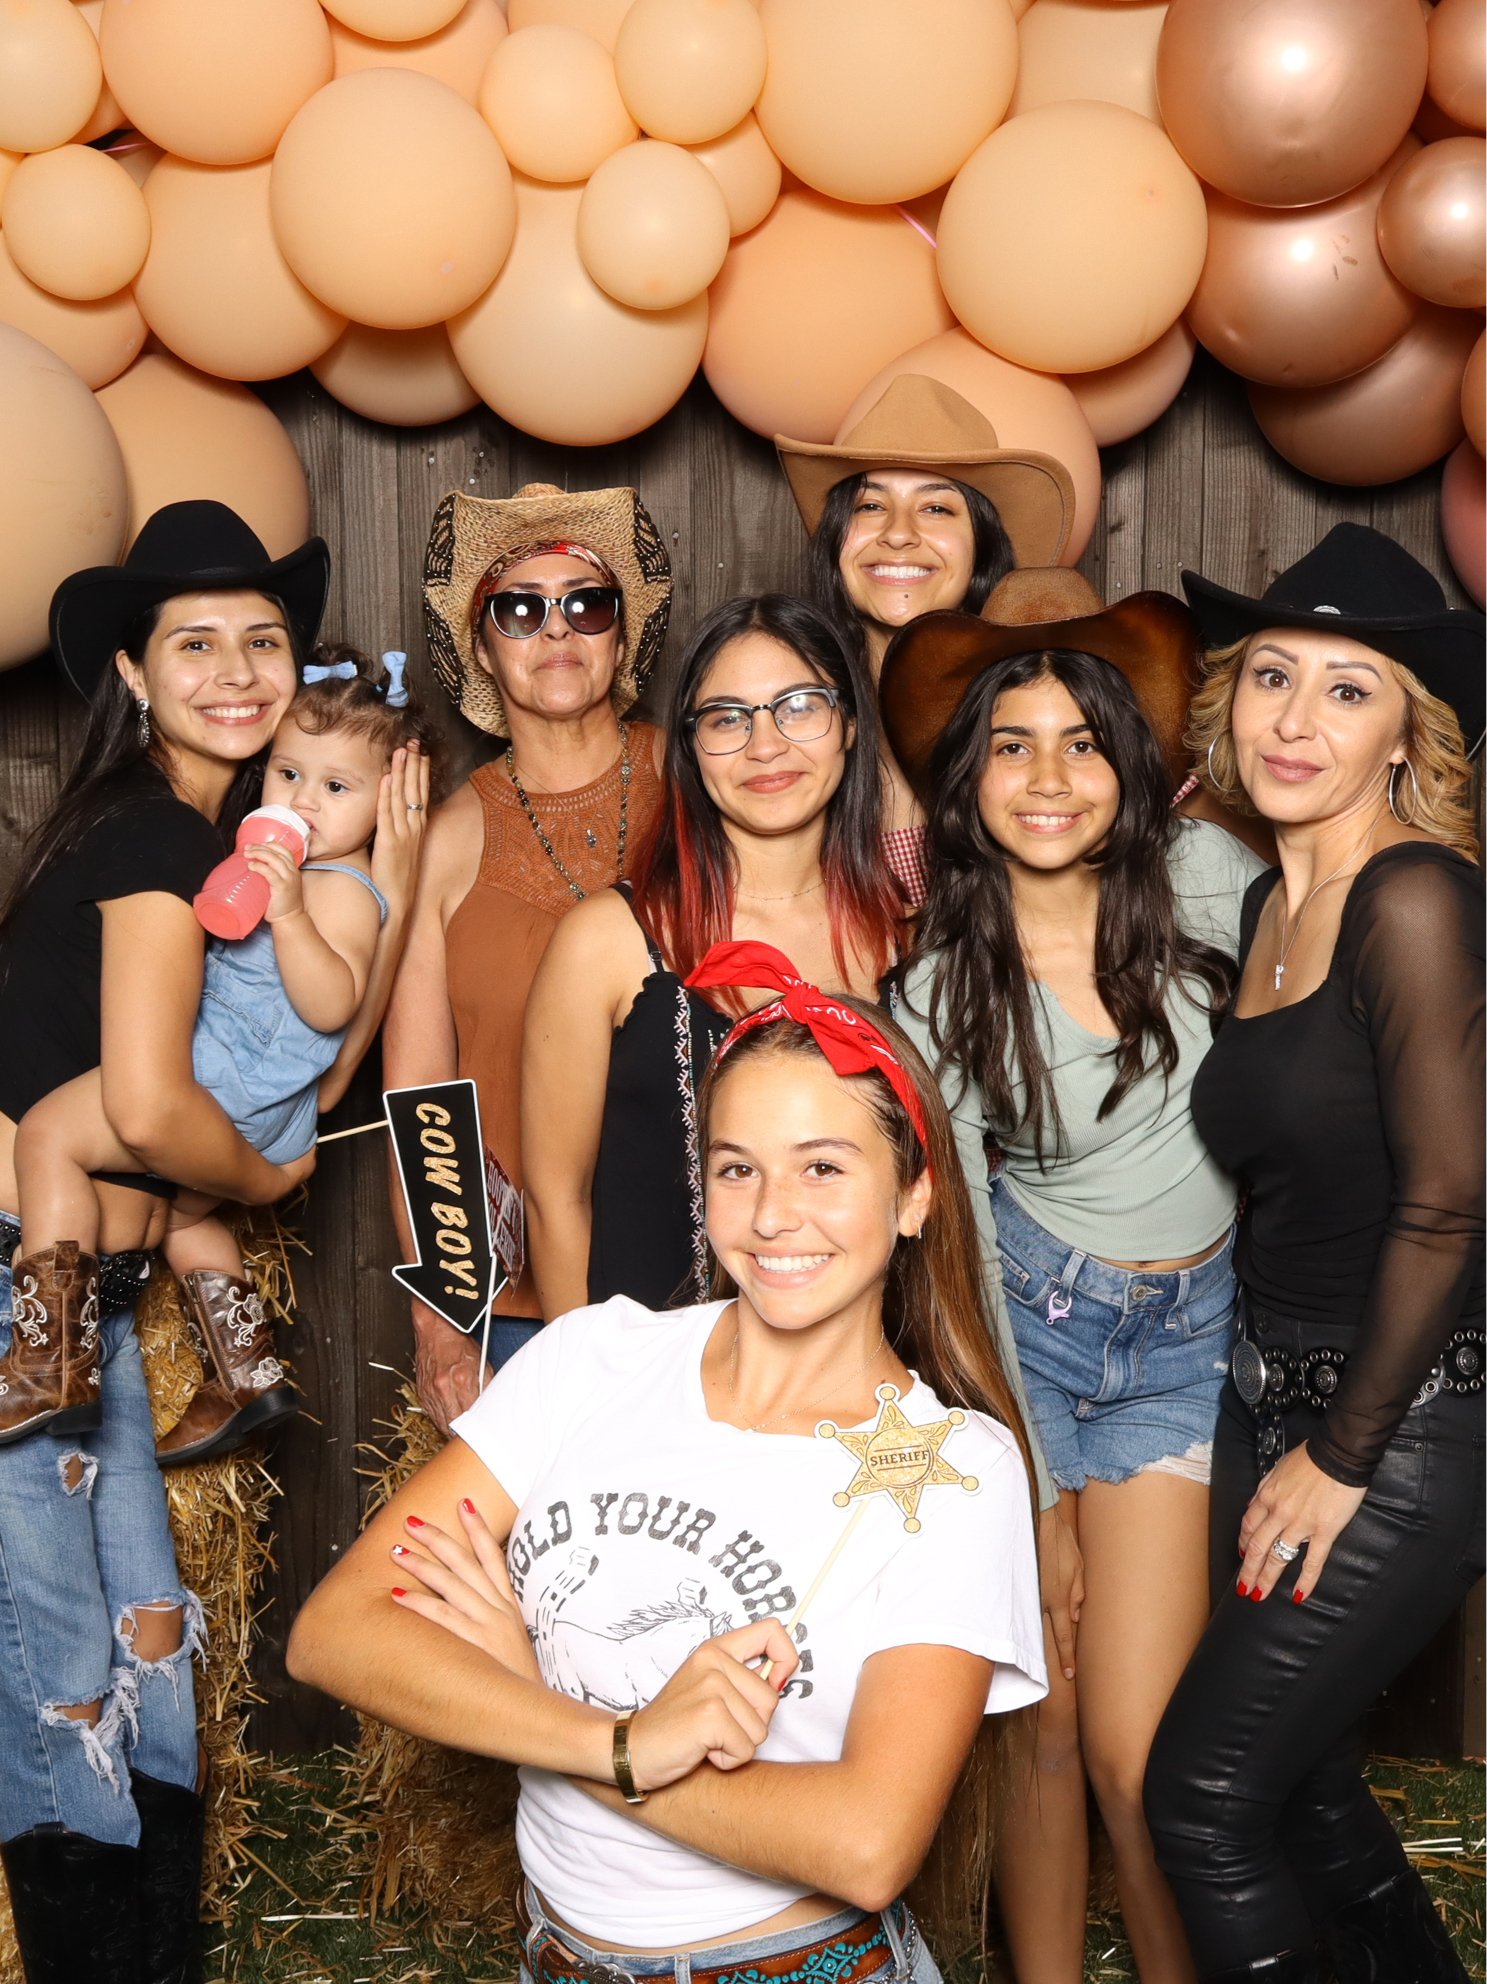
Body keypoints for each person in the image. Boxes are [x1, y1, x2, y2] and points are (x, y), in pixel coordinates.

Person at [286, 942, 1046, 1978]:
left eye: (823, 1166)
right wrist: (617, 1739)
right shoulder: (593, 1357)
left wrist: (560, 1724)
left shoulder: (957, 1466)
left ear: (913, 1197)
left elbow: (866, 1846)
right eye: (738, 1168)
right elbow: (336, 1632)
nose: (773, 1215)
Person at [0, 501, 420, 1981]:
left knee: (153, 1651)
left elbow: (313, 1053)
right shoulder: (158, 838)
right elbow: (148, 1099)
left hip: (90, 1298)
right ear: (129, 671)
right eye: (195, 644)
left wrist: (403, 887)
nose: (237, 670)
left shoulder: (233, 853)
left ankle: (156, 1962)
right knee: (63, 1673)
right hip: (18, 1289)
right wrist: (267, 1181)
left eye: (262, 639)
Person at [884, 595, 1266, 1984]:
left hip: (1180, 1345)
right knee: (1035, 1726)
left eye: (1077, 747)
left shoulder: (1215, 883)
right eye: (1008, 750)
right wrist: (1033, 1498)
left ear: (1126, 769)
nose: (1046, 780)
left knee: (1133, 1754)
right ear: (966, 790)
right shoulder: (934, 992)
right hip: (1027, 1345)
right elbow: (965, 1256)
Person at [1143, 525, 1485, 1984]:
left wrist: (1340, 1454)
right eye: (1271, 676)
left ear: (1407, 740)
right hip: (1266, 1395)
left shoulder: (1411, 898)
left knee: (1201, 1800)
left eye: (1348, 691)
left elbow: (1449, 1201)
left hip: (1397, 1421)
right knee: (1301, 1781)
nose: (1293, 719)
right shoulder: (1271, 903)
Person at [12, 654, 434, 1465]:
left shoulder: (340, 889)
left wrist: (292, 914)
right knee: (183, 1218)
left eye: (336, 789)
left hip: (226, 1081)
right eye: (287, 773)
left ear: (386, 806)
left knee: (47, 1137)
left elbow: (332, 1004)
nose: (303, 801)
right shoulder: (295, 870)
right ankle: (243, 1369)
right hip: (266, 1105)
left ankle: (50, 1357)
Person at [521, 593, 902, 1321]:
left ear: (848, 724)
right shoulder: (607, 941)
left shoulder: (909, 943)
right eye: (727, 718)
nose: (765, 745)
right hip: (656, 1391)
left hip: (860, 1381)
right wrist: (587, 1397)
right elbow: (555, 1199)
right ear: (690, 748)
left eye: (799, 706)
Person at [386, 481, 671, 1436]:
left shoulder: (705, 780)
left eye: (587, 604)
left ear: (622, 639)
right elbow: (424, 1099)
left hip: (707, 1271)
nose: (558, 630)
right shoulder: (449, 838)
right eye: (520, 608)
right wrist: (442, 1324)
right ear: (481, 646)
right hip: (520, 1315)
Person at [776, 374, 1075, 903]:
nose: (897, 533)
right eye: (870, 506)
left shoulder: (1052, 704)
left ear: (982, 545)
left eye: (936, 507)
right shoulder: (788, 721)